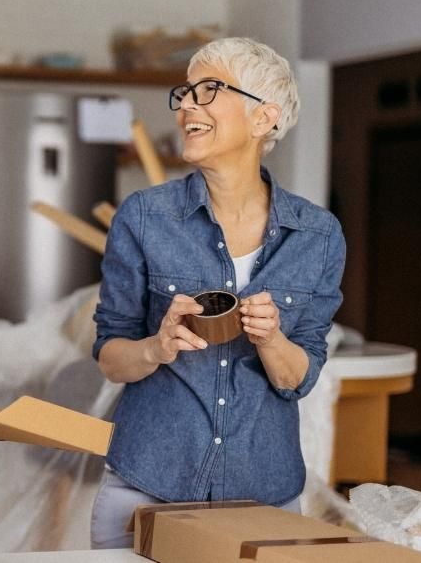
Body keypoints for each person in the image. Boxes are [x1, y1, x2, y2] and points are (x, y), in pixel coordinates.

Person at [89, 37, 346, 548]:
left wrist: (272, 339)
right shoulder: (144, 217)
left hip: (263, 497)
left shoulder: (318, 236)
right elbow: (110, 357)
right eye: (184, 92)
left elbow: (300, 377)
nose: (186, 104)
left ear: (262, 118)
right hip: (146, 487)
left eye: (207, 90)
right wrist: (155, 348)